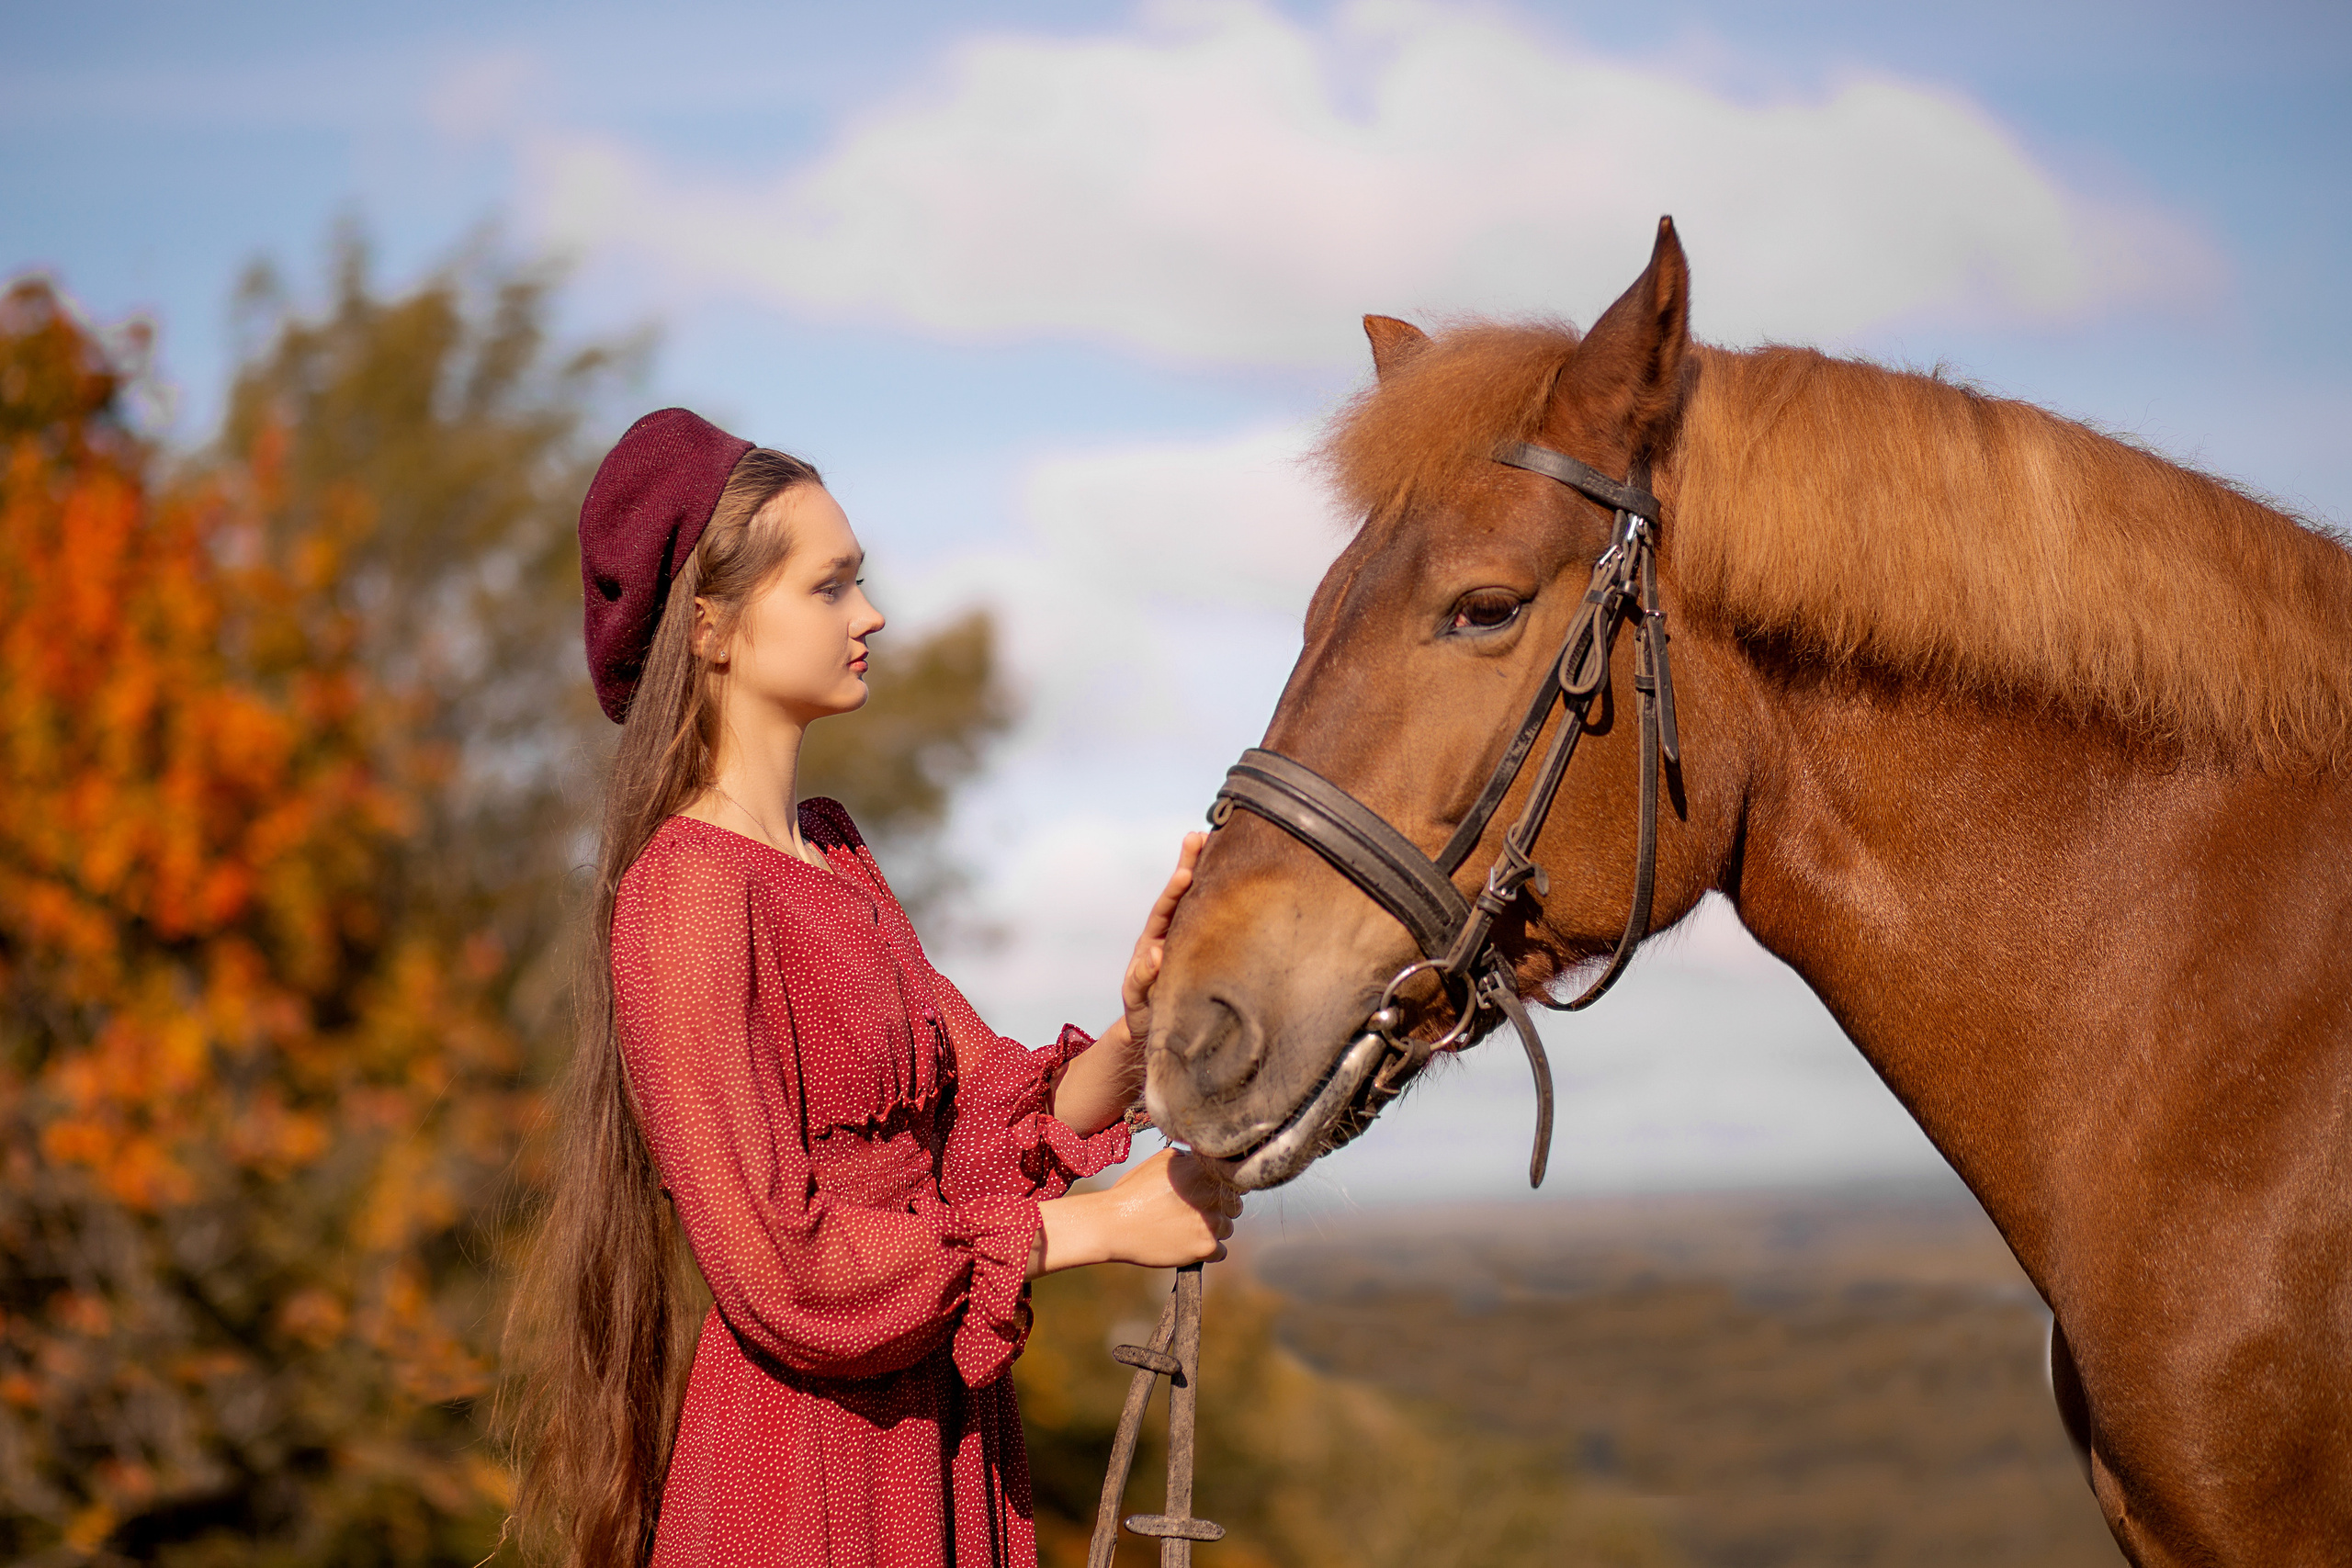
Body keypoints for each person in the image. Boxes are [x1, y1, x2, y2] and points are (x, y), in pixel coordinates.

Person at [509, 409, 1238, 1568]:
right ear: (708, 627)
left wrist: (1145, 1021)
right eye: (830, 586)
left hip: (933, 1424)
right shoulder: (686, 894)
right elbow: (781, 1269)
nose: (871, 614)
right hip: (810, 1464)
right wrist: (1101, 1227)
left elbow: (981, 1125)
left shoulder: (832, 851)